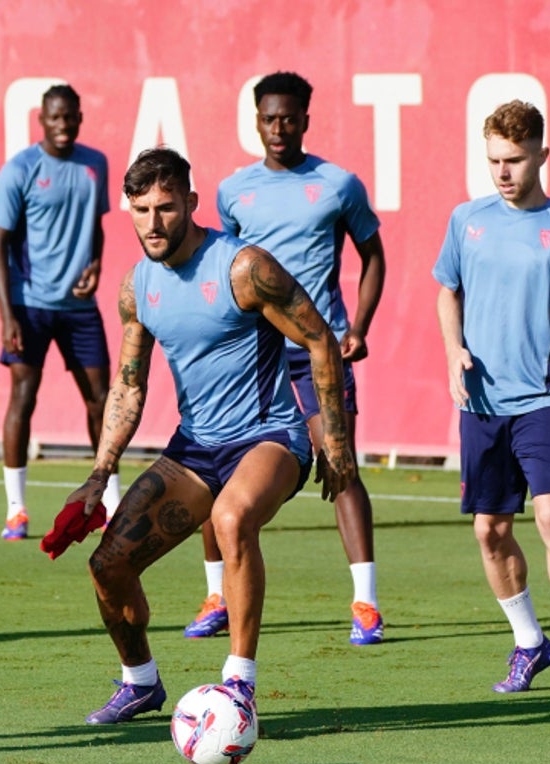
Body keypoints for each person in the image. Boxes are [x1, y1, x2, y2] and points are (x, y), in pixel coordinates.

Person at [60, 147, 355, 725]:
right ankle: (140, 681)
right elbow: (127, 386)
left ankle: (238, 685)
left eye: (166, 208)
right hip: (195, 447)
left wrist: (337, 444)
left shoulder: (244, 268)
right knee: (107, 566)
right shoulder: (137, 288)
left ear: (191, 203)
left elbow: (320, 339)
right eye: (141, 209)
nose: (153, 222)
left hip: (270, 436)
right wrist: (99, 474)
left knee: (230, 519)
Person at [187, 70, 386, 645]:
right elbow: (221, 267)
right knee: (214, 466)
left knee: (339, 462)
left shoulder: (337, 184)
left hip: (316, 349)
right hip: (251, 358)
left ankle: (366, 603)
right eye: (269, 118)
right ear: (257, 120)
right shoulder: (233, 191)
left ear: (305, 118)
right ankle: (217, 594)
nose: (279, 128)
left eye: (289, 118)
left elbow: (374, 256)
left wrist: (359, 326)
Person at [434, 100, 550, 696]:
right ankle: (531, 642)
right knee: (489, 531)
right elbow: (446, 293)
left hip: (545, 398)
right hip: (480, 403)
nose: (502, 172)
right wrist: (454, 347)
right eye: (493, 161)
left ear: (541, 155)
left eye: (513, 160)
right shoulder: (466, 220)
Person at [0, 84, 120, 540]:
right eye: (54, 118)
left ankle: (111, 500)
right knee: (24, 397)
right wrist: (8, 316)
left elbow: (97, 227)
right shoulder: (20, 169)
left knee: (102, 400)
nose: (63, 126)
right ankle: (16, 509)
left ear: (79, 118)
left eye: (70, 118)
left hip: (79, 306)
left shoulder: (95, 164)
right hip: (29, 304)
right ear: (42, 120)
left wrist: (97, 264)